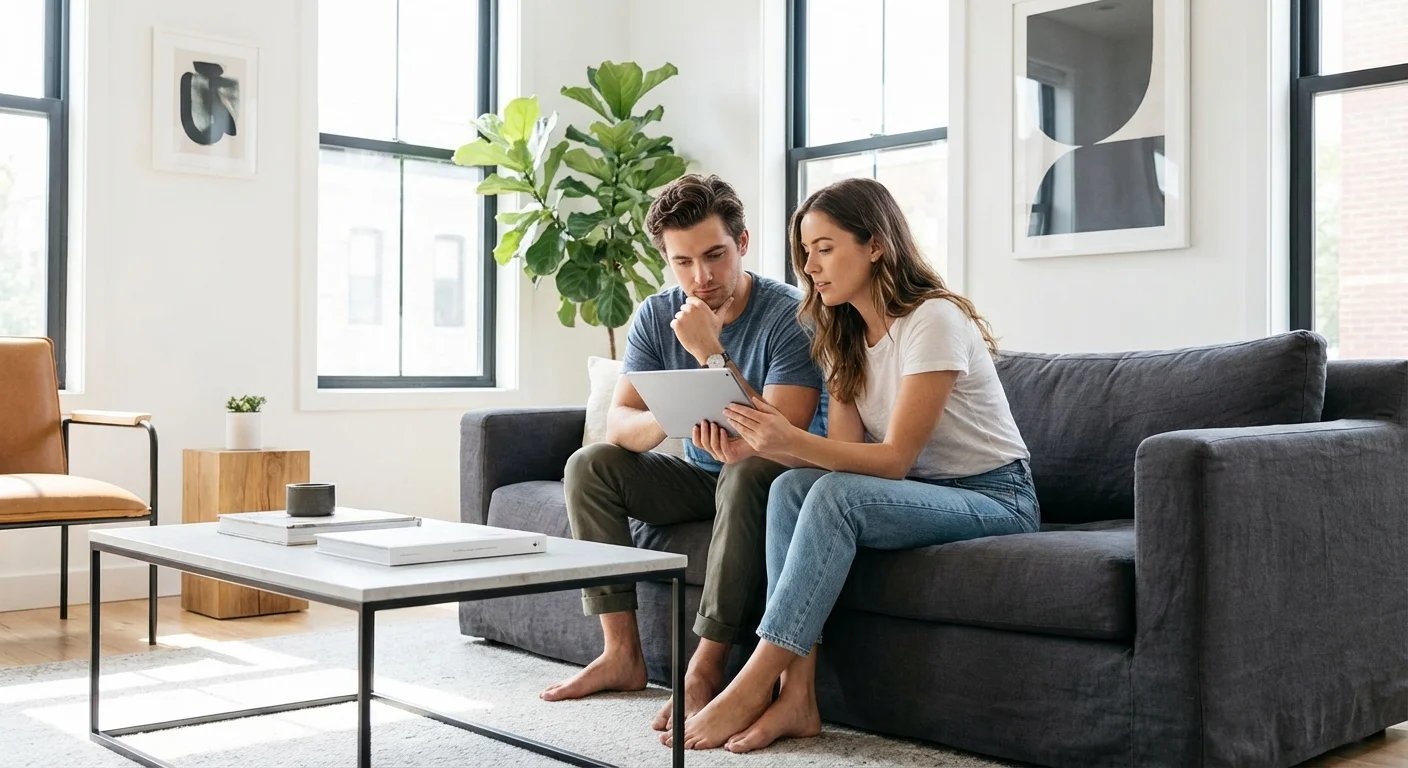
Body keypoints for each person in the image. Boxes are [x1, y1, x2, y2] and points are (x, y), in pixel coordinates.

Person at [670, 177, 1041, 752]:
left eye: (825, 248)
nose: (811, 267)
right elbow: (836, 459)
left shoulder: (932, 320)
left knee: (831, 495)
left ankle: (752, 683)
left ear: (875, 244)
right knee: (794, 487)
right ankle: (798, 698)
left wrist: (785, 432)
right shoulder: (842, 333)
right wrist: (766, 442)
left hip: (996, 497)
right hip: (920, 494)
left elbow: (892, 460)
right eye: (805, 253)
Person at [540, 174, 826, 733]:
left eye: (716, 255)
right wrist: (667, 420)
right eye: (684, 262)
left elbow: (783, 430)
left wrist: (710, 355)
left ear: (742, 244)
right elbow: (619, 421)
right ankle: (621, 654)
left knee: (745, 468)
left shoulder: (791, 316)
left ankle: (704, 668)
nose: (703, 277)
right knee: (589, 465)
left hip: (771, 482)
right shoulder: (656, 314)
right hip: (700, 477)